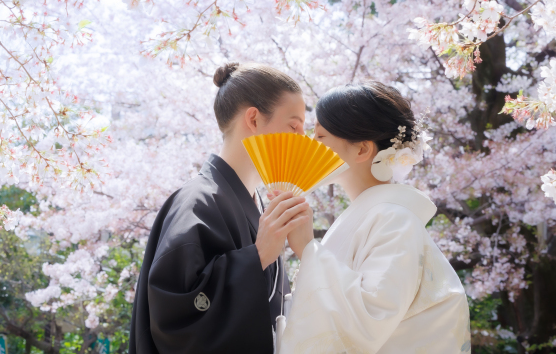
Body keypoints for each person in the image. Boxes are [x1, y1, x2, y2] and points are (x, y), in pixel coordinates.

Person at [129, 62, 313, 354]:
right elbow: (173, 317)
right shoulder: (197, 202)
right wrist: (257, 256)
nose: (303, 139)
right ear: (253, 119)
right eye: (294, 125)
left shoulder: (259, 205)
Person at [276, 81, 471, 354]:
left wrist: (308, 249)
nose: (309, 145)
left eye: (320, 137)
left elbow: (372, 317)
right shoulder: (378, 216)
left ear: (361, 150)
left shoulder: (394, 220)